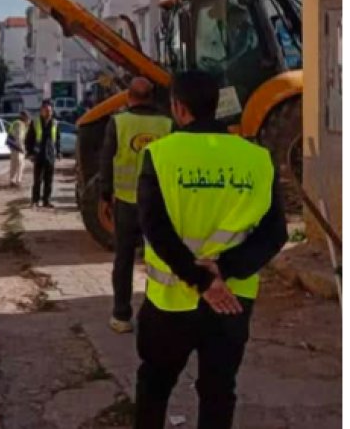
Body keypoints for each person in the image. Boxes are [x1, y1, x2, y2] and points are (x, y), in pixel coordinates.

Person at [134, 70, 288, 429]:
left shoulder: (160, 155)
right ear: (217, 107)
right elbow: (274, 233)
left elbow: (155, 229)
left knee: (155, 386)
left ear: (178, 108)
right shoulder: (257, 158)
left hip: (171, 302)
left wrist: (200, 280)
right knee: (219, 392)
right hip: (232, 301)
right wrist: (225, 271)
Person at [98, 77, 172, 334]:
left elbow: (106, 162)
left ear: (129, 97)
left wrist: (105, 196)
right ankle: (158, 315)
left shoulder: (118, 123)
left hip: (127, 203)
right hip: (159, 205)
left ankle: (121, 315)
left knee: (124, 260)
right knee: (160, 260)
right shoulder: (167, 124)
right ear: (152, 97)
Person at [24, 100, 60, 208]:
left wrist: (58, 152)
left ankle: (46, 201)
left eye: (50, 110)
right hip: (38, 155)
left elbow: (57, 139)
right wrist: (30, 152)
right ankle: (35, 201)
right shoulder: (35, 122)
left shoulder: (55, 123)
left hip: (50, 155)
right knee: (37, 180)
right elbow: (29, 139)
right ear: (41, 111)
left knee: (49, 180)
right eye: (46, 110)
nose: (48, 112)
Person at [6, 111, 30, 188]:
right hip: (18, 147)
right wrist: (22, 148)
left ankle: (12, 180)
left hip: (14, 147)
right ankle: (17, 181)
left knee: (14, 164)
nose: (28, 120)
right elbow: (19, 137)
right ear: (24, 117)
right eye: (27, 118)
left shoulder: (16, 123)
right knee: (19, 164)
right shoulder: (20, 124)